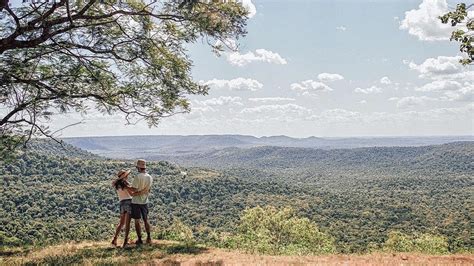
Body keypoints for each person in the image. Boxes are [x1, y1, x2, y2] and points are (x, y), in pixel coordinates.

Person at [111, 169, 148, 247]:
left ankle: (114, 239)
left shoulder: (117, 184)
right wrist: (142, 191)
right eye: (127, 175)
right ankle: (125, 242)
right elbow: (132, 193)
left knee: (121, 223)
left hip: (121, 203)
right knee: (127, 223)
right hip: (128, 203)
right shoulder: (125, 183)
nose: (127, 176)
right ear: (125, 176)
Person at [123, 159, 153, 247]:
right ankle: (149, 237)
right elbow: (149, 190)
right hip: (145, 201)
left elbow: (134, 189)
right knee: (146, 220)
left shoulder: (137, 176)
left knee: (137, 221)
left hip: (136, 201)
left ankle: (139, 239)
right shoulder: (150, 177)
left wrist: (127, 187)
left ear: (138, 168)